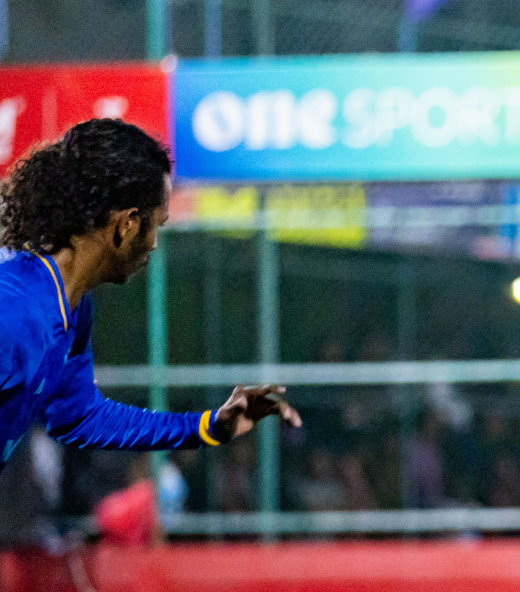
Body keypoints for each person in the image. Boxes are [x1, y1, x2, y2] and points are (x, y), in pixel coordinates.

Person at [0, 119, 299, 486]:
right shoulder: (16, 313)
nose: (155, 243)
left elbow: (77, 416)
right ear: (126, 225)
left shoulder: (72, 305)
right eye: (156, 224)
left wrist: (207, 427)